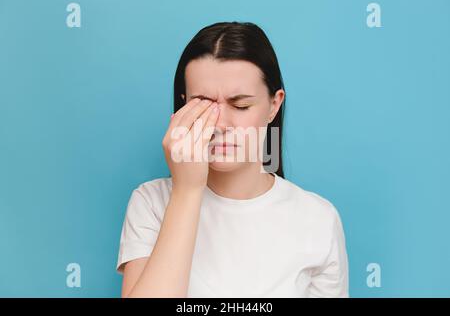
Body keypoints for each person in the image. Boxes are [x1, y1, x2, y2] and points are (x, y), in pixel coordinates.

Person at [116, 21, 349, 297]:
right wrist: (187, 190)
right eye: (202, 103)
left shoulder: (318, 219)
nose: (220, 124)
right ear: (183, 105)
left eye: (240, 106)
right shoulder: (151, 202)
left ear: (274, 105)